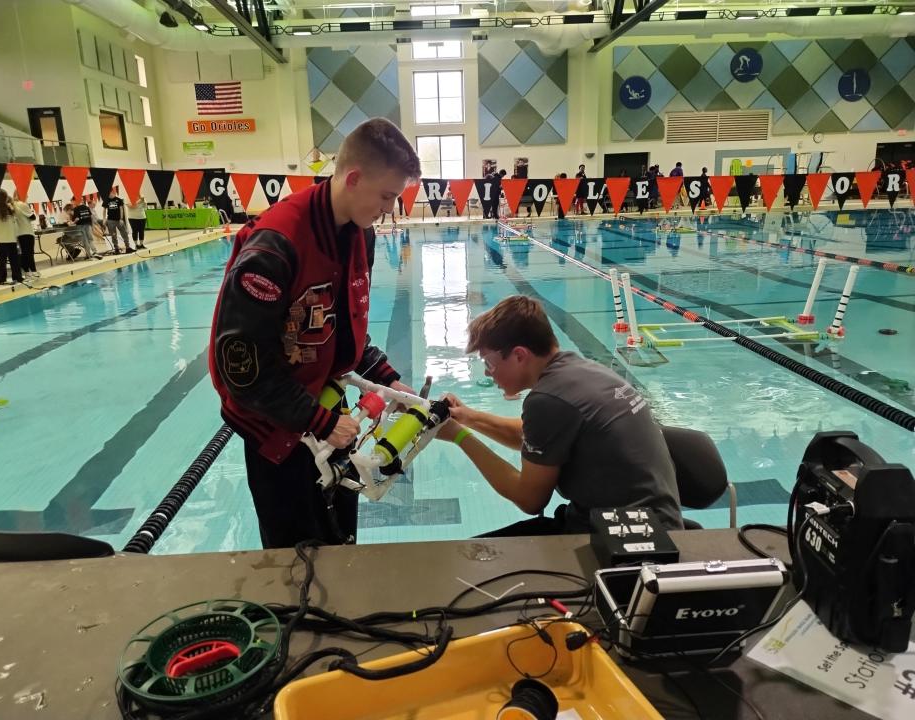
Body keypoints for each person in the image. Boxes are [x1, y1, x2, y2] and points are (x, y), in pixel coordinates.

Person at [209, 117, 421, 549]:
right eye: (386, 196)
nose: (389, 209)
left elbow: (337, 325)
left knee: (340, 539)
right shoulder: (274, 247)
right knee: (296, 556)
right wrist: (319, 422)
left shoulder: (360, 237)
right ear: (354, 178)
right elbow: (242, 371)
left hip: (324, 407)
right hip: (275, 425)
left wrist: (384, 375)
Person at [435, 295, 684, 534]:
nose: (488, 374)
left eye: (489, 363)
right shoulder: (580, 369)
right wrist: (467, 416)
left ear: (519, 355)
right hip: (654, 523)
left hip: (627, 539)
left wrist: (459, 437)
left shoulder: (547, 400)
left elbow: (529, 500)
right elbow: (532, 436)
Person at [12, 192, 37, 279]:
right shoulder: (23, 205)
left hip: (19, 232)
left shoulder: (13, 205)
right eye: (26, 194)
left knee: (24, 252)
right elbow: (33, 217)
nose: (27, 196)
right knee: (29, 252)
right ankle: (33, 271)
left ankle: (27, 271)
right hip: (27, 231)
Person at [105, 187, 134, 253]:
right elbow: (104, 210)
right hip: (110, 220)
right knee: (113, 235)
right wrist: (104, 219)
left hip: (118, 220)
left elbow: (121, 209)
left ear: (112, 192)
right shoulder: (107, 200)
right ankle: (116, 249)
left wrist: (121, 219)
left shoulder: (119, 200)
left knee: (124, 233)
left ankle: (128, 247)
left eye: (109, 193)